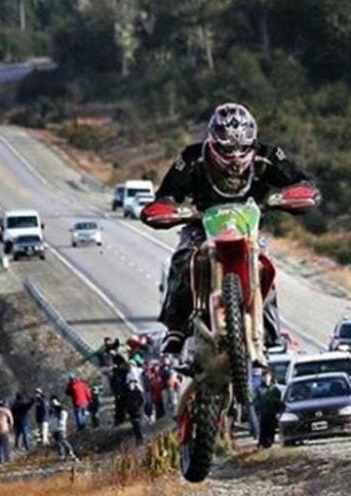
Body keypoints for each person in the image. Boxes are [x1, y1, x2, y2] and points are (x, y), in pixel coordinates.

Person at [140, 102, 320, 356]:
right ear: (213, 142)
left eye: (243, 148)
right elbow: (167, 194)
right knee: (182, 260)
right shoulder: (191, 158)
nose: (236, 156)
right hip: (201, 224)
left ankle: (269, 329)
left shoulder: (268, 155)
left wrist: (295, 195)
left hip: (247, 225)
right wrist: (167, 207)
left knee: (265, 263)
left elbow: (302, 182)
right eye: (227, 149)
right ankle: (176, 328)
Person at [254, 369, 283, 448]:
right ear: (262, 378)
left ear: (270, 377)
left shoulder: (275, 389)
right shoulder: (259, 389)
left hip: (272, 414)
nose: (266, 378)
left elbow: (279, 401)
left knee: (271, 431)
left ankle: (269, 444)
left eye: (268, 377)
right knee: (263, 431)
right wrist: (258, 411)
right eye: (264, 377)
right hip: (263, 414)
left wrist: (278, 412)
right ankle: (262, 444)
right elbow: (256, 401)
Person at [48, 396, 78, 462]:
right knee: (58, 443)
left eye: (54, 401)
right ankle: (62, 456)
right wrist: (50, 427)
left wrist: (61, 424)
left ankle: (71, 453)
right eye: (51, 402)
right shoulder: (51, 411)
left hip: (60, 428)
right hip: (54, 429)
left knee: (63, 441)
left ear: (57, 401)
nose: (53, 403)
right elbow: (50, 419)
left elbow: (63, 417)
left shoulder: (61, 409)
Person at [123, 378, 146, 445]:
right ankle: (138, 438)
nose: (130, 386)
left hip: (138, 411)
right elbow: (126, 403)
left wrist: (139, 408)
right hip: (131, 411)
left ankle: (141, 438)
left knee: (138, 423)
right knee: (135, 425)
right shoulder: (127, 393)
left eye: (132, 384)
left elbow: (142, 401)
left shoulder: (138, 392)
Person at [0, 399, 14, 463]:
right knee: (5, 446)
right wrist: (9, 428)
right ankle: (6, 458)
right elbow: (11, 422)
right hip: (3, 430)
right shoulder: (7, 411)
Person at [109, 355, 129, 426]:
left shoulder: (122, 371)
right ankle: (119, 420)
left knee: (121, 406)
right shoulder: (118, 372)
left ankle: (120, 420)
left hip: (123, 391)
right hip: (120, 391)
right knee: (119, 407)